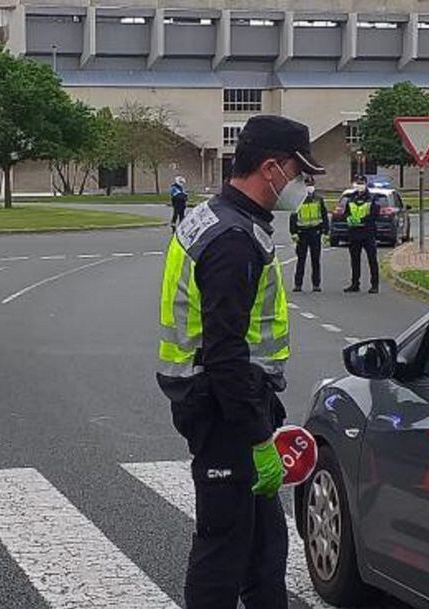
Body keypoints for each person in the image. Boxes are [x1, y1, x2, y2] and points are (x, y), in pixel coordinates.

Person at [157, 114, 323, 609]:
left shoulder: (221, 219)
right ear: (271, 169)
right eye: (300, 171)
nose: (304, 184)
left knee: (265, 548)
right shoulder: (233, 239)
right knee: (224, 549)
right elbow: (224, 350)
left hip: (232, 402)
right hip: (225, 408)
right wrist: (256, 438)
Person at [288, 175, 329, 292]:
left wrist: (326, 232)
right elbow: (293, 216)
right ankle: (298, 284)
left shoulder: (318, 199)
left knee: (316, 260)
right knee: (301, 260)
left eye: (311, 185)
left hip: (315, 232)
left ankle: (316, 284)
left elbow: (324, 216)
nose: (309, 187)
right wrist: (293, 232)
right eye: (307, 185)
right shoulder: (298, 199)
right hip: (302, 233)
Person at [344, 176, 380, 294]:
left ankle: (374, 285)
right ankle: (355, 284)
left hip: (368, 233)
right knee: (354, 260)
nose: (359, 185)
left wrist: (362, 220)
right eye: (357, 183)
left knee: (372, 259)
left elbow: (375, 214)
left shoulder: (372, 198)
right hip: (354, 233)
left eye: (361, 183)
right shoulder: (351, 198)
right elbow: (346, 213)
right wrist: (349, 219)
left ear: (365, 184)